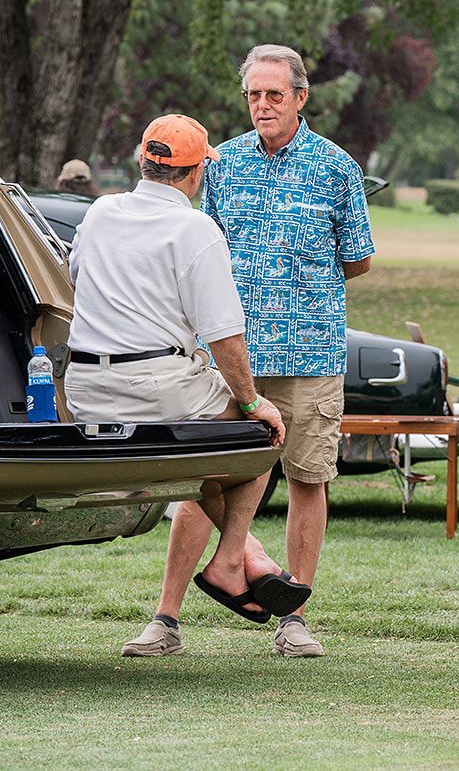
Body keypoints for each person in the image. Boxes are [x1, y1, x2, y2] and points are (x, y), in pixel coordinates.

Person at [65, 114, 301, 659]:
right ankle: (231, 558)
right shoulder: (196, 228)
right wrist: (251, 400)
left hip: (85, 388)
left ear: (141, 162)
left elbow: (76, 281)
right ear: (195, 174)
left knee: (211, 466)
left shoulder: (100, 212)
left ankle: (253, 560)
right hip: (157, 385)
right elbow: (223, 334)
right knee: (260, 435)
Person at [197, 43, 376, 658]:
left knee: (307, 478)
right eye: (254, 95)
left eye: (275, 95)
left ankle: (292, 615)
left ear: (302, 98)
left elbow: (358, 258)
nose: (263, 106)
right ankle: (166, 617)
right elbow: (203, 253)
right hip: (232, 357)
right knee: (203, 477)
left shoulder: (337, 168)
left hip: (310, 352)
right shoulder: (220, 165)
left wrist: (296, 283)